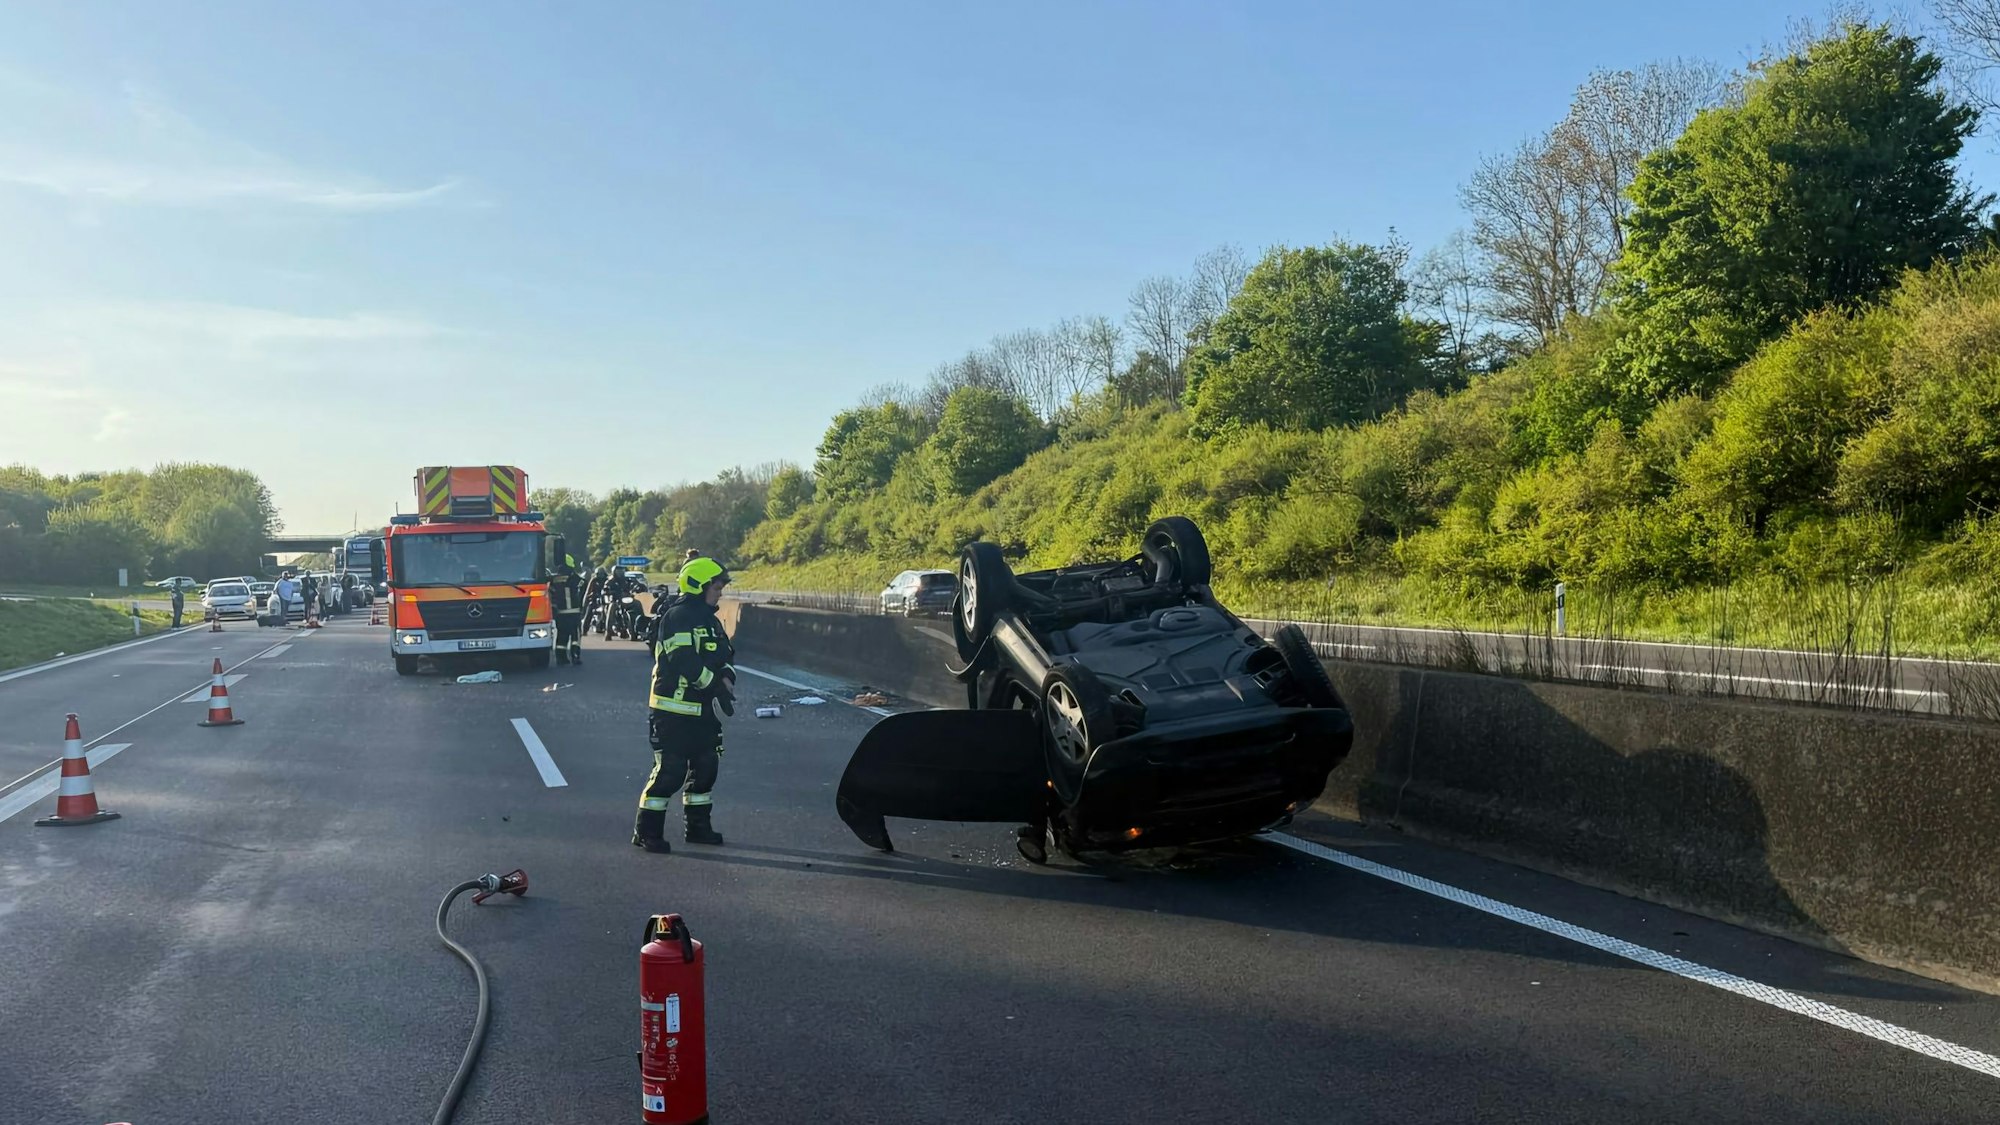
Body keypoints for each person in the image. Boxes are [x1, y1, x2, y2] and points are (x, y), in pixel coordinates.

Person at [633, 557, 735, 854]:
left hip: (701, 713)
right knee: (670, 772)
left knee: (706, 768)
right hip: (671, 712)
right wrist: (713, 684)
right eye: (716, 587)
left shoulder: (711, 619)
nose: (719, 593)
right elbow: (683, 660)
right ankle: (647, 831)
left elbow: (727, 654)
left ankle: (698, 828)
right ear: (698, 585)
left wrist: (727, 677)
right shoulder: (677, 617)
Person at [549, 553, 585, 666]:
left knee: (561, 636)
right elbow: (583, 585)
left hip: (560, 614)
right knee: (575, 636)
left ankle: (561, 659)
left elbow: (550, 594)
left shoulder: (553, 580)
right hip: (574, 612)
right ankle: (575, 656)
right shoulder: (575, 578)